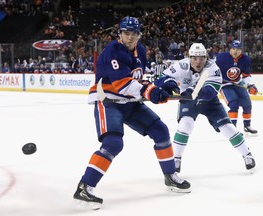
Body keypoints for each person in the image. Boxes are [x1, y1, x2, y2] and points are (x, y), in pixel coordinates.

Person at [73, 16, 190, 210]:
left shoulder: (141, 52)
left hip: (129, 102)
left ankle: (170, 177)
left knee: (160, 131)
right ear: (119, 34)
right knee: (113, 143)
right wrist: (151, 92)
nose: (129, 37)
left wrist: (161, 87)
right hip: (108, 101)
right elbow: (123, 84)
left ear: (139, 35)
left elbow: (138, 79)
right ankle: (85, 187)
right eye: (125, 33)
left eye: (133, 34)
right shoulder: (113, 51)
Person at [159, 43, 256, 173]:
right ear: (189, 57)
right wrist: (170, 85)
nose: (198, 62)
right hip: (189, 102)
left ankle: (247, 154)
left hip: (209, 102)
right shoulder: (182, 65)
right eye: (194, 58)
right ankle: (176, 158)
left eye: (201, 58)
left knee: (227, 127)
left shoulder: (213, 67)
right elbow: (161, 78)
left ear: (206, 57)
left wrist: (193, 91)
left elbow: (211, 91)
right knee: (185, 125)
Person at [215, 40, 258, 134]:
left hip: (238, 83)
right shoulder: (221, 58)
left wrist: (250, 85)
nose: (235, 51)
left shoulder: (245, 59)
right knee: (234, 104)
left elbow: (246, 75)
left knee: (247, 104)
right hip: (225, 84)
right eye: (234, 49)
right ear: (230, 49)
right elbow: (212, 70)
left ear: (241, 50)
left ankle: (247, 126)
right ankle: (232, 129)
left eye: (238, 49)